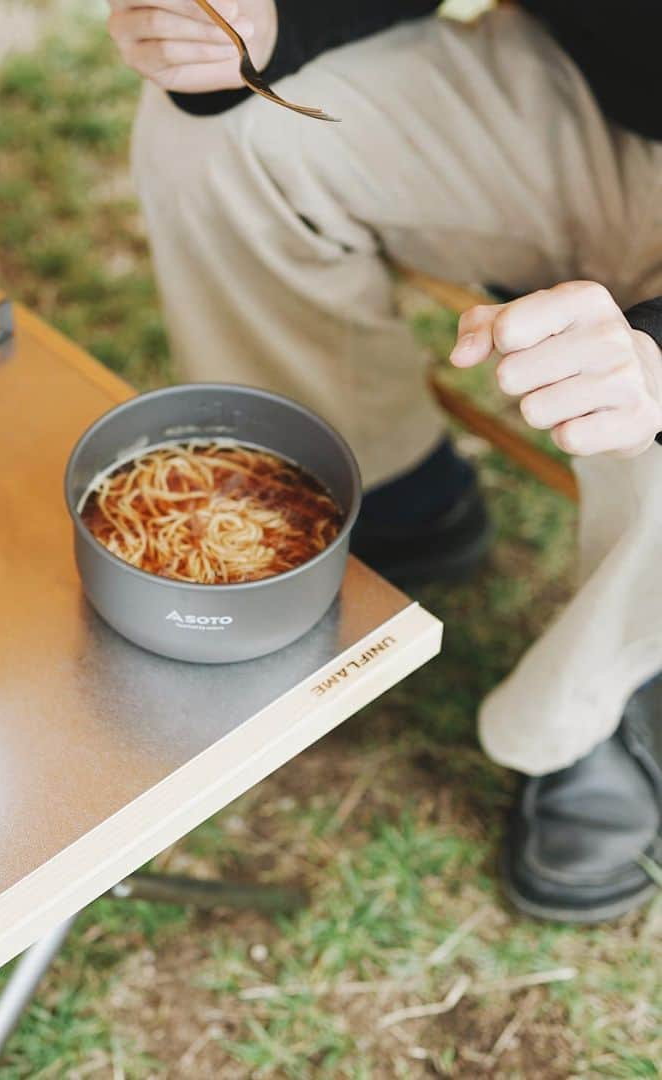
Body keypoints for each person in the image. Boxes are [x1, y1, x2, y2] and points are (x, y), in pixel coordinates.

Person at [108, 0, 662, 922]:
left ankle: (607, 704)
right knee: (218, 137)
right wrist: (271, 27)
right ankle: (397, 501)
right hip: (605, 97)